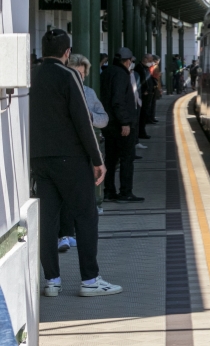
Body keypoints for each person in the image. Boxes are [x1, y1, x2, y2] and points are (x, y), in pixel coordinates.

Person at [30, 29, 122, 297]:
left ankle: (52, 281)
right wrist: (97, 159)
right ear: (67, 53)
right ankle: (90, 280)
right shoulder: (68, 75)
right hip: (70, 158)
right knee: (86, 216)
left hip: (39, 159)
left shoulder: (32, 75)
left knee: (47, 220)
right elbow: (83, 120)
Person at [59, 54, 109, 252]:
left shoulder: (88, 93)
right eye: (74, 73)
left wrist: (88, 117)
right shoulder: (60, 91)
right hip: (64, 150)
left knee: (81, 197)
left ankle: (71, 234)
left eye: (81, 74)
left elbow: (103, 118)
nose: (78, 77)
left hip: (85, 151)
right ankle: (64, 233)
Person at [101, 48, 144, 203]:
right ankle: (125, 192)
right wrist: (125, 122)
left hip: (109, 124)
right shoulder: (122, 75)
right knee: (126, 159)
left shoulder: (107, 72)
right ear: (126, 61)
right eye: (131, 61)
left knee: (111, 159)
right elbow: (118, 101)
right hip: (120, 125)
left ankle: (109, 191)